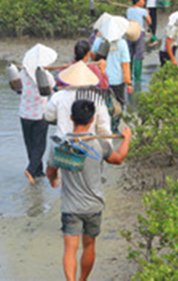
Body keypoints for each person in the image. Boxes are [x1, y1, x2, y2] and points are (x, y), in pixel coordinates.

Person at [46, 99, 132, 281]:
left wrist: (53, 180)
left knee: (70, 249)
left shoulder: (60, 145)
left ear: (71, 118)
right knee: (89, 246)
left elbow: (50, 170)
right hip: (94, 206)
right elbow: (118, 159)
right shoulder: (100, 144)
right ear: (92, 119)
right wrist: (127, 139)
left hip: (70, 207)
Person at [19, 44, 57, 185]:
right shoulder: (46, 76)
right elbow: (53, 88)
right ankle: (30, 169)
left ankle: (37, 171)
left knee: (30, 144)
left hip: (24, 114)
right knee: (40, 145)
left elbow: (18, 89)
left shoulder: (22, 74)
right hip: (40, 115)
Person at [45, 61, 111, 138]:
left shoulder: (58, 96)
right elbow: (104, 127)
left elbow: (48, 116)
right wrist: (107, 144)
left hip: (63, 140)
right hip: (87, 142)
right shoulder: (96, 98)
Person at [91, 16, 132, 133]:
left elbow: (93, 57)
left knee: (102, 103)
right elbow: (125, 65)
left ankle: (102, 126)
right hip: (117, 80)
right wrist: (128, 83)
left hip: (101, 79)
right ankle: (114, 127)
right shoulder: (122, 44)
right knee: (119, 104)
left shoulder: (99, 41)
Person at [126, 0, 152, 82]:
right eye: (142, 0)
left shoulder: (128, 10)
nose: (143, 2)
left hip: (129, 33)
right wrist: (147, 13)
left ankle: (129, 75)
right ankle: (137, 77)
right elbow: (149, 21)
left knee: (130, 54)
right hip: (139, 33)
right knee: (139, 54)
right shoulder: (142, 11)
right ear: (138, 2)